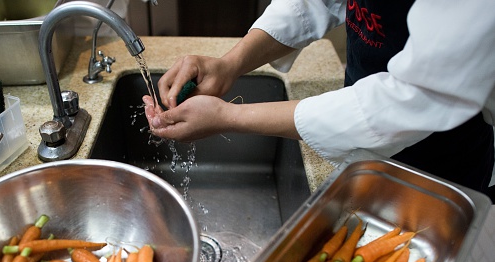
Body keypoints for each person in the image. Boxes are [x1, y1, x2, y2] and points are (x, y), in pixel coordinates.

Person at [143, 0, 495, 199]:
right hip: (360, 124)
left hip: (438, 158)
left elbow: (414, 98)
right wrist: (230, 64)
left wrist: (227, 117)